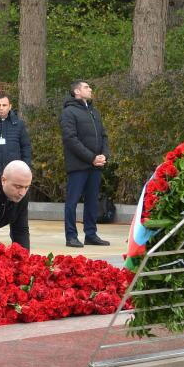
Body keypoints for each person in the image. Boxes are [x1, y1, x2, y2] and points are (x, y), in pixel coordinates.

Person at [60, 80, 110, 248]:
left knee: (92, 201)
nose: (90, 89)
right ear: (77, 92)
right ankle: (71, 236)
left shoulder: (94, 112)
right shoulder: (69, 112)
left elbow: (103, 136)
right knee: (72, 201)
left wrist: (104, 155)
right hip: (78, 166)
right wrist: (91, 157)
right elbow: (70, 139)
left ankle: (91, 233)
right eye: (86, 87)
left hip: (95, 165)